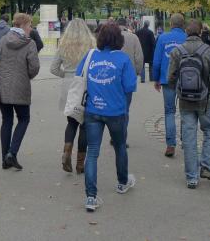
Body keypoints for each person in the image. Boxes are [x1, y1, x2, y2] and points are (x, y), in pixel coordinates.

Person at [76, 23, 138, 212]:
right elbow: (130, 86)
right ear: (119, 39)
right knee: (120, 146)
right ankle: (122, 182)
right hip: (116, 111)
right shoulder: (123, 59)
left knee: (92, 152)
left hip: (93, 110)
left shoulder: (90, 56)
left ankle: (91, 197)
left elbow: (79, 75)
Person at [167, 19, 210, 189]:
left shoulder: (177, 51)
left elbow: (171, 77)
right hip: (204, 100)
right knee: (209, 130)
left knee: (189, 137)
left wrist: (178, 89)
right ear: (201, 32)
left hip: (185, 101)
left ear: (186, 32)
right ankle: (206, 166)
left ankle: (192, 178)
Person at [0, 13, 40, 170]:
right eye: (30, 25)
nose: (31, 28)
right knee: (24, 119)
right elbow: (34, 67)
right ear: (23, 25)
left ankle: (4, 159)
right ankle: (12, 153)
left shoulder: (4, 39)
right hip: (21, 88)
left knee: (6, 120)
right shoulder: (29, 43)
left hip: (3, 87)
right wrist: (26, 76)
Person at [50, 18, 95, 174]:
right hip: (85, 85)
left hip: (68, 85)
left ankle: (67, 151)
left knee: (71, 122)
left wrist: (66, 75)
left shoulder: (63, 45)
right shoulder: (91, 45)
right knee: (84, 125)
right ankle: (80, 164)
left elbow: (53, 68)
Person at [152, 13, 187, 157]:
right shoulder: (187, 38)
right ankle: (186, 141)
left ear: (171, 24)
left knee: (169, 111)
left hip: (167, 79)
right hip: (185, 79)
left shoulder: (162, 38)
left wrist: (156, 79)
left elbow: (157, 61)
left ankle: (170, 145)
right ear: (183, 24)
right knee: (186, 111)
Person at [117, 17, 143, 140]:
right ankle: (122, 136)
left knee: (114, 106)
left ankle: (115, 134)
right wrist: (136, 72)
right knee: (125, 109)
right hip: (128, 77)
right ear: (127, 25)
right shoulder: (133, 38)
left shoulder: (111, 37)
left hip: (113, 77)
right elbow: (139, 58)